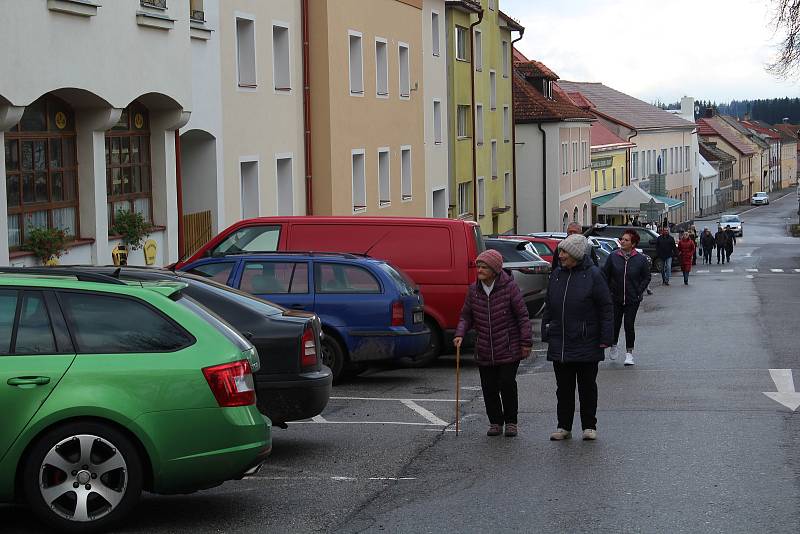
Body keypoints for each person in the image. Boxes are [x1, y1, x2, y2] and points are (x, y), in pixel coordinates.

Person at [542, 234, 613, 441]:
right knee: (563, 389)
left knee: (587, 388)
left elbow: (606, 308)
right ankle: (563, 426)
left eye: (564, 252)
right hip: (561, 341)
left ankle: (589, 426)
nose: (560, 255)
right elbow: (549, 304)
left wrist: (605, 337)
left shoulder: (594, 275)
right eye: (561, 251)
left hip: (587, 341)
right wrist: (547, 329)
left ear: (575, 254)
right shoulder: (556, 274)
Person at [454, 249, 532, 438]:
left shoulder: (509, 288)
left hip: (508, 345)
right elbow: (466, 316)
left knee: (506, 383)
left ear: (495, 270)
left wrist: (526, 342)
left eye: (484, 267)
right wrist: (460, 334)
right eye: (478, 266)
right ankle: (495, 422)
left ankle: (511, 422)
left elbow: (522, 316)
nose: (479, 270)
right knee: (488, 386)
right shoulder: (474, 290)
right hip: (484, 348)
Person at [601, 229, 651, 366]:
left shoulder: (640, 259)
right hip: (615, 297)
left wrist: (638, 291)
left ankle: (629, 354)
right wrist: (607, 292)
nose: (622, 241)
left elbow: (646, 277)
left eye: (626, 240)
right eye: (622, 239)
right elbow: (605, 275)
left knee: (629, 324)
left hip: (632, 299)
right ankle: (613, 345)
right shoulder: (613, 256)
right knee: (615, 323)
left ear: (633, 244)